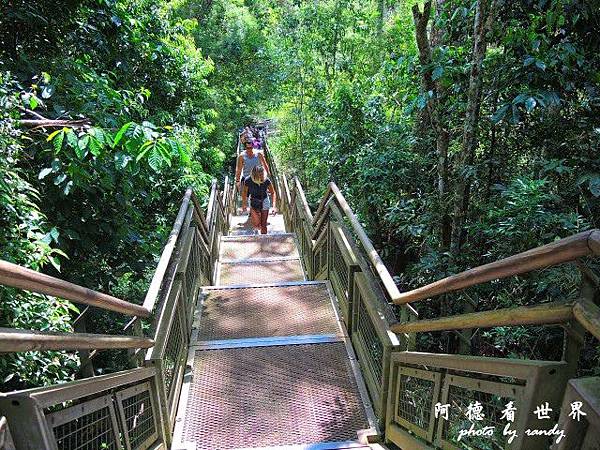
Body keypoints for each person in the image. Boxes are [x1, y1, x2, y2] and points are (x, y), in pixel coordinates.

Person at [242, 165, 276, 234]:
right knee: (256, 224)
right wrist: (244, 204)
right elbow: (245, 192)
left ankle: (265, 241)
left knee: (263, 225)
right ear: (254, 175)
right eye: (259, 175)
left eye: (262, 174)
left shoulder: (266, 180)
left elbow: (273, 192)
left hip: (264, 201)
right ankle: (257, 231)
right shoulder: (248, 180)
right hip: (253, 201)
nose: (261, 176)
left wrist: (274, 207)